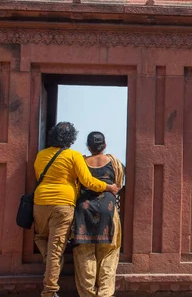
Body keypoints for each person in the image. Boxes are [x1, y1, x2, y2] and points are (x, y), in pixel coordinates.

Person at [33, 122, 119, 297]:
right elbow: (87, 181)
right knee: (57, 250)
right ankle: (50, 290)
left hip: (41, 202)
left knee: (41, 238)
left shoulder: (41, 155)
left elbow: (37, 175)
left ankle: (54, 267)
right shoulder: (74, 156)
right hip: (64, 205)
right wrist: (109, 187)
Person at [72, 131, 125, 297]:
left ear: (88, 146)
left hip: (84, 211)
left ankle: (88, 294)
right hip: (107, 209)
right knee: (109, 253)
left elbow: (76, 183)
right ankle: (105, 294)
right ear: (105, 145)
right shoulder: (114, 161)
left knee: (84, 254)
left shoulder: (81, 162)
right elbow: (119, 183)